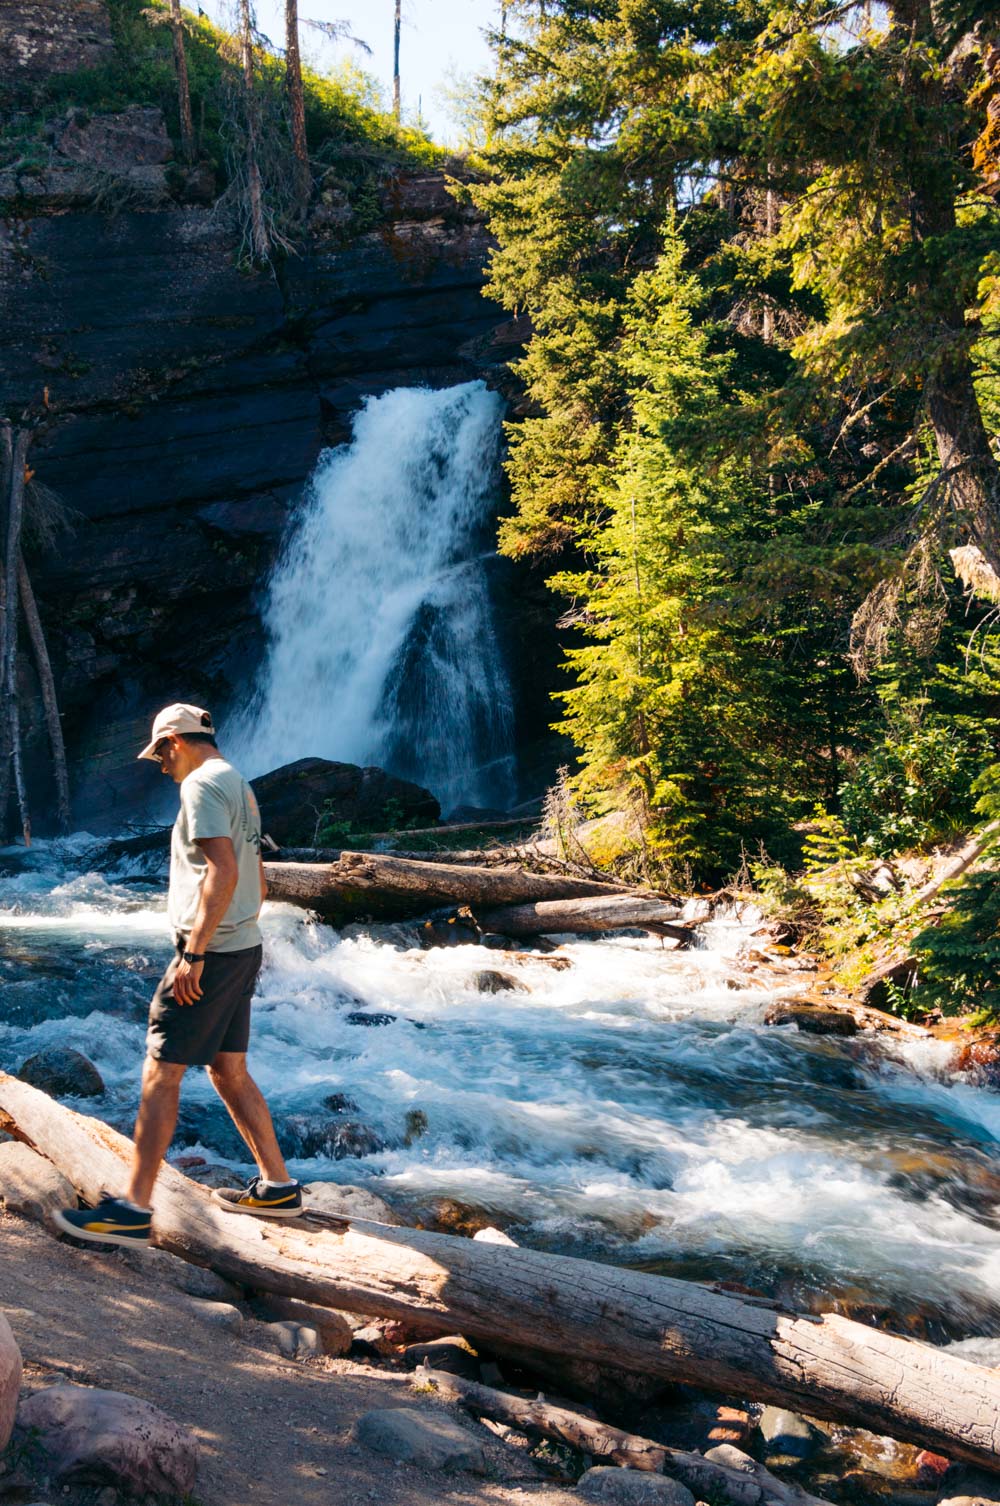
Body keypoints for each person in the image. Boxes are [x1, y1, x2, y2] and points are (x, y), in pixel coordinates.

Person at [55, 703, 302, 1247]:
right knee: (227, 1069)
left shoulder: (200, 787)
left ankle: (131, 1210)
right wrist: (238, 933)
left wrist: (195, 953)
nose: (160, 766)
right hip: (242, 946)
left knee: (159, 1073)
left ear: (173, 740)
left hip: (210, 954)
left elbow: (225, 869)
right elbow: (256, 876)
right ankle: (279, 1186)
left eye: (159, 754)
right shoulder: (240, 783)